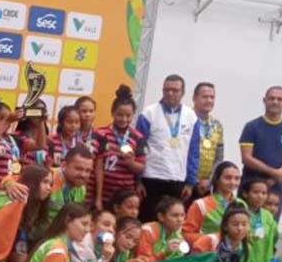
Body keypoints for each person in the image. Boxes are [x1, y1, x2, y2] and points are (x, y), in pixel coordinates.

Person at [136, 74, 198, 221]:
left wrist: (190, 182)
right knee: (148, 222)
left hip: (177, 180)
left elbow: (194, 151)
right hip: (151, 178)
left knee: (173, 223)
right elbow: (139, 148)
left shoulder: (191, 116)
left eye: (175, 90)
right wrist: (137, 180)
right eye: (167, 90)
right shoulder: (148, 113)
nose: (170, 93)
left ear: (183, 92)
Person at [239, 86, 282, 220]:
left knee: (270, 225)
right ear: (264, 100)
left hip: (275, 187)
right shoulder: (252, 127)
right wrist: (274, 173)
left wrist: (274, 179)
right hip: (250, 185)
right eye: (271, 98)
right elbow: (246, 158)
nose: (275, 102)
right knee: (244, 224)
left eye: (279, 99)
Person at [94, 85, 146, 211]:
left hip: (125, 196)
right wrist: (98, 198)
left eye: (128, 116)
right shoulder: (100, 133)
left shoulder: (138, 137)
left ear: (133, 114)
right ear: (112, 112)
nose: (124, 119)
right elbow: (97, 165)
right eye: (120, 115)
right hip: (103, 192)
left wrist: (131, 163)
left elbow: (141, 168)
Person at [239, 178, 278, 262]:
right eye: (256, 192)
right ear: (245, 194)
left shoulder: (268, 216)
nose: (260, 196)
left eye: (264, 193)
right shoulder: (239, 213)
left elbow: (273, 241)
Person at [182, 161, 243, 245]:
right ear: (216, 179)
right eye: (228, 178)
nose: (233, 182)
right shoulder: (200, 204)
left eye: (237, 178)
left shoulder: (242, 204)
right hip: (208, 255)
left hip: (235, 254)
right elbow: (186, 234)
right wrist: (212, 239)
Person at [189, 82, 224, 199]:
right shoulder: (186, 119)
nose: (209, 100)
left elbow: (219, 158)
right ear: (194, 98)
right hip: (184, 182)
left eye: (212, 97)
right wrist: (192, 179)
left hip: (206, 185)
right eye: (205, 97)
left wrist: (209, 180)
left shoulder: (217, 124)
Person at [47, 143, 93, 220]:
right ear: (64, 165)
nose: (83, 175)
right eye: (79, 169)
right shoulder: (47, 179)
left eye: (88, 171)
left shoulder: (82, 189)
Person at [137, 196, 189, 262]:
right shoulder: (148, 231)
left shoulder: (178, 234)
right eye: (175, 215)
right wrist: (164, 253)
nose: (180, 219)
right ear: (161, 217)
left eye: (182, 215)